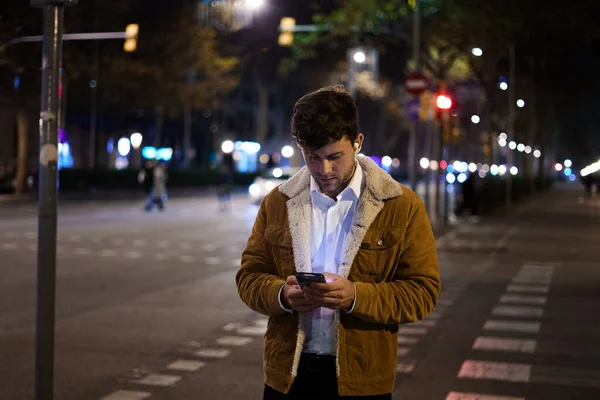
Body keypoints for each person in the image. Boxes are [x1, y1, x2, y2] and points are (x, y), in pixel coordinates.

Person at [236, 85, 441, 399]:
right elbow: (249, 277)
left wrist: (355, 296)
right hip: (287, 376)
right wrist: (282, 295)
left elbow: (423, 292)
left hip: (361, 379)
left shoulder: (400, 206)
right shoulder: (278, 203)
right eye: (312, 157)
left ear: (358, 143)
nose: (324, 169)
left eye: (334, 156)